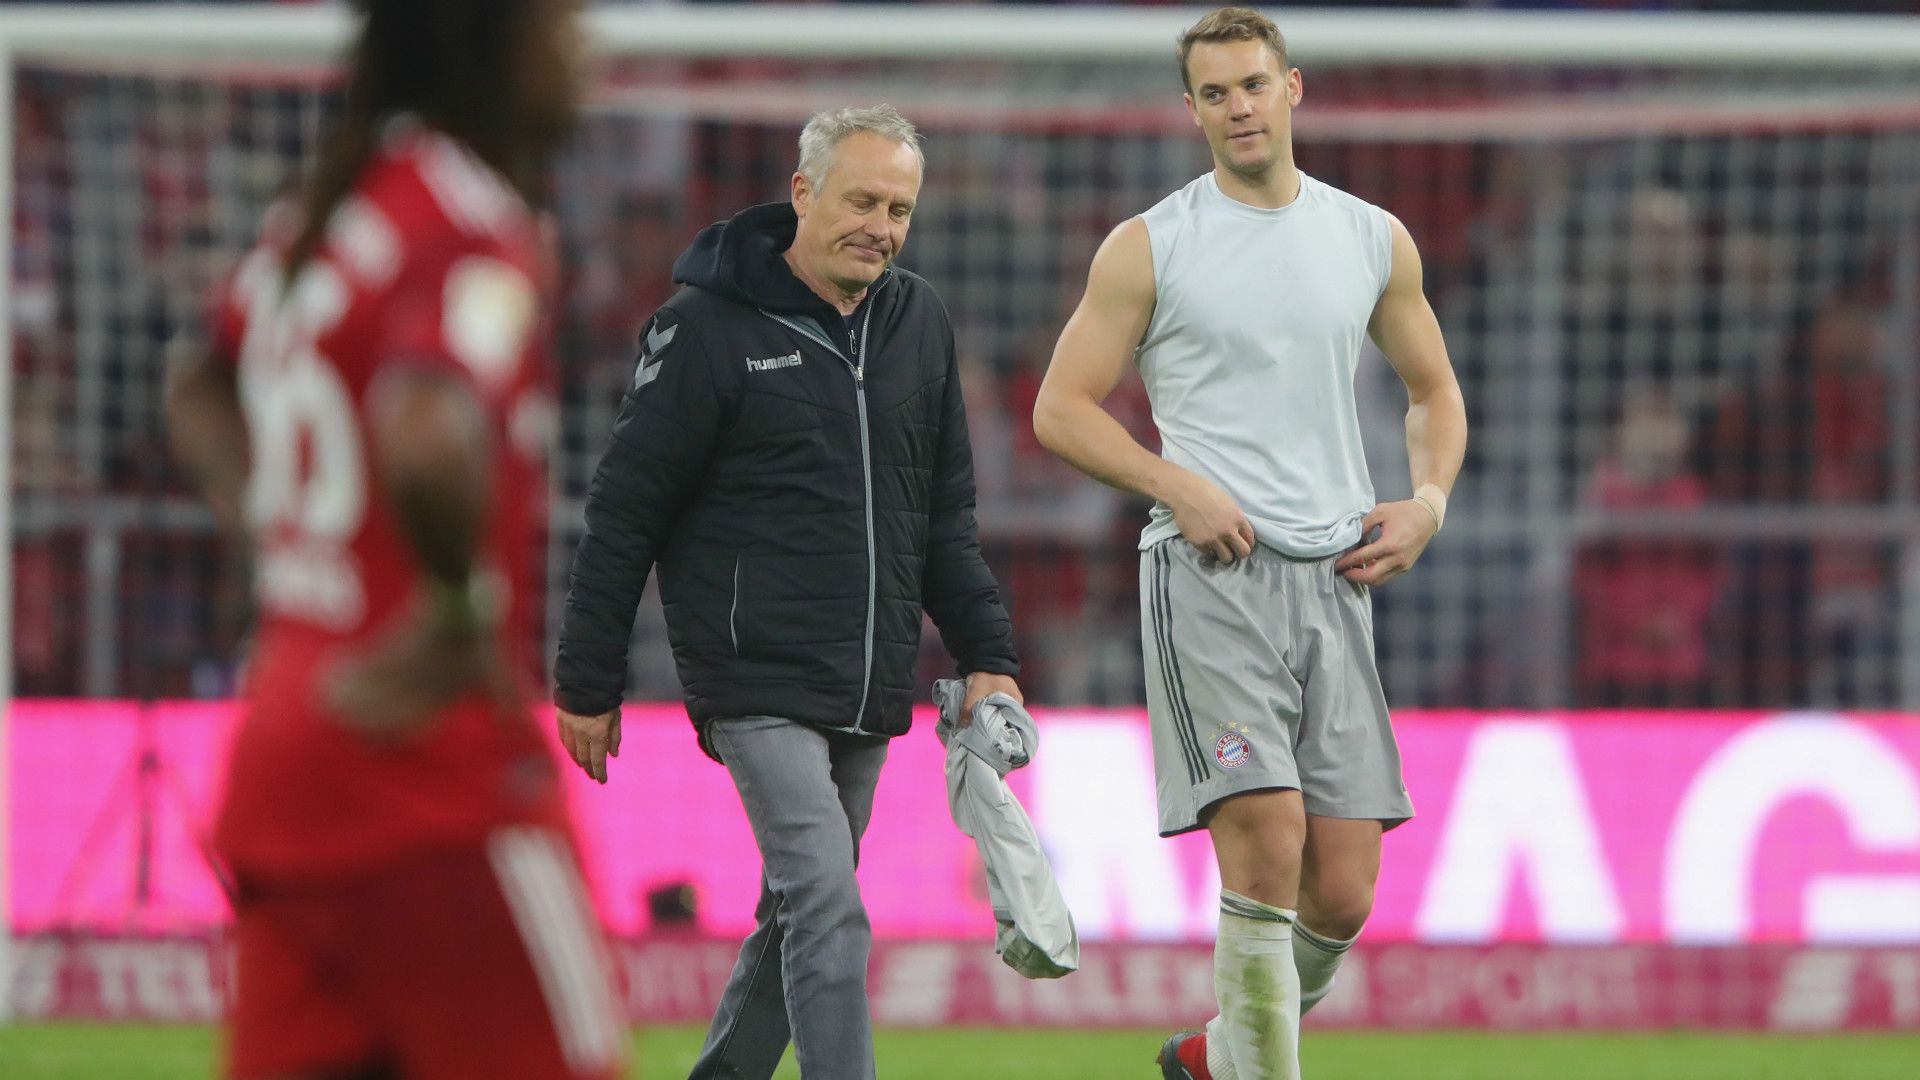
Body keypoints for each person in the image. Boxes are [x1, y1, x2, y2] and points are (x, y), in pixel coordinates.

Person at [166, 2, 627, 1078]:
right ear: (496, 36)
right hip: (429, 774)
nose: (581, 48)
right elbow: (426, 430)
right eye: (561, 20)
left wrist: (296, 559)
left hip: (287, 759)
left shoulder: (331, 212)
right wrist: (455, 610)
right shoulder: (469, 219)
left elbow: (197, 385)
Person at [1032, 9, 1467, 1079]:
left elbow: (1434, 391)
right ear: (1191, 110)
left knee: (1344, 892)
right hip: (1211, 577)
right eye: (1215, 92)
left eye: (1253, 85)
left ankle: (1222, 1056)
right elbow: (1062, 408)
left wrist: (1427, 501)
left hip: (1337, 578)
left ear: (1293, 90)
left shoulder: (1371, 235)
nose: (1237, 107)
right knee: (1268, 842)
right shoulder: (1151, 244)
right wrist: (1175, 483)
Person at [552, 105, 1022, 1080]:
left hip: (866, 680)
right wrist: (587, 676)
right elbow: (623, 509)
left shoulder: (917, 323)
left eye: (898, 208)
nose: (881, 225)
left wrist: (990, 658)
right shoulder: (703, 328)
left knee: (797, 910)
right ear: (803, 193)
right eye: (861, 200)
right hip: (752, 678)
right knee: (830, 902)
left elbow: (945, 520)